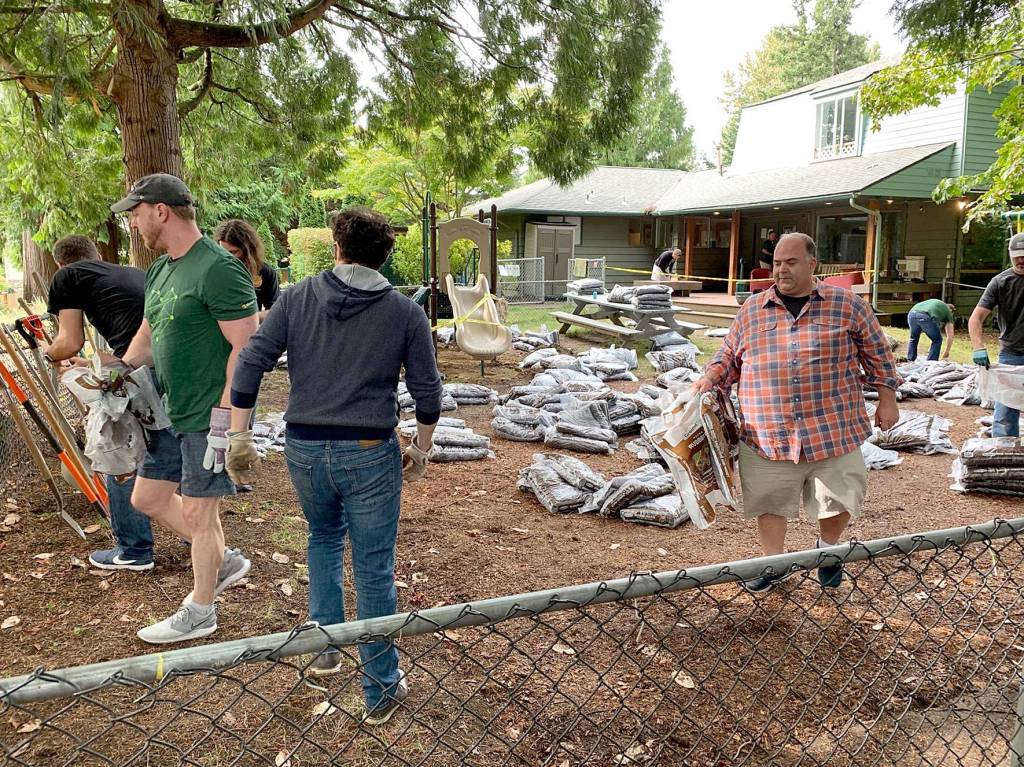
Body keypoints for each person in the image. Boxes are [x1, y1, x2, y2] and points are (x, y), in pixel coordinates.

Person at [225, 207, 442, 726]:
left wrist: (238, 434)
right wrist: (423, 449)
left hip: (302, 445)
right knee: (373, 567)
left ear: (335, 247)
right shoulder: (404, 313)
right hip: (369, 448)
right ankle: (381, 689)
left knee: (323, 538)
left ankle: (324, 646)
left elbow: (252, 359)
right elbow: (427, 392)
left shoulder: (295, 298)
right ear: (385, 256)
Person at [694, 233, 899, 593]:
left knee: (839, 496)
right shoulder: (751, 309)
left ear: (812, 264)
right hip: (767, 429)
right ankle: (774, 564)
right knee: (769, 500)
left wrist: (887, 399)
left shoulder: (847, 305)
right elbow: (728, 356)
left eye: (790, 262)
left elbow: (878, 353)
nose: (781, 269)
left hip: (832, 425)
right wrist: (709, 380)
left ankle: (828, 550)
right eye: (776, 262)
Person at [114, 173, 258, 644]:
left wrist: (228, 424)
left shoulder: (218, 268)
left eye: (135, 213)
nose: (133, 223)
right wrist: (116, 369)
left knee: (199, 514)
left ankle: (201, 609)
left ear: (161, 211)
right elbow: (150, 331)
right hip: (169, 410)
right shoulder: (161, 269)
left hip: (209, 415)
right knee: (147, 499)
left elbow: (246, 347)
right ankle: (225, 560)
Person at [43, 235, 156, 571]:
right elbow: (128, 340)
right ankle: (196, 536)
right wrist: (91, 366)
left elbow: (69, 341)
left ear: (61, 265)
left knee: (115, 453)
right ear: (95, 255)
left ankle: (134, 550)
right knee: (163, 455)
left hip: (138, 376)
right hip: (166, 368)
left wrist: (51, 354)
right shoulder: (130, 273)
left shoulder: (68, 277)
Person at [969, 232, 1024, 437]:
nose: (1021, 259)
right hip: (1011, 353)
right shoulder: (1000, 282)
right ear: (1010, 255)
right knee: (1005, 410)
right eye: (1017, 255)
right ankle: (1003, 454)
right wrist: (978, 347)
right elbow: (976, 318)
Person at [214, 219, 279, 322]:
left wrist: (248, 317)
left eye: (233, 252)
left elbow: (275, 312)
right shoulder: (213, 272)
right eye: (223, 252)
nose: (227, 257)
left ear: (247, 250)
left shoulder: (265, 272)